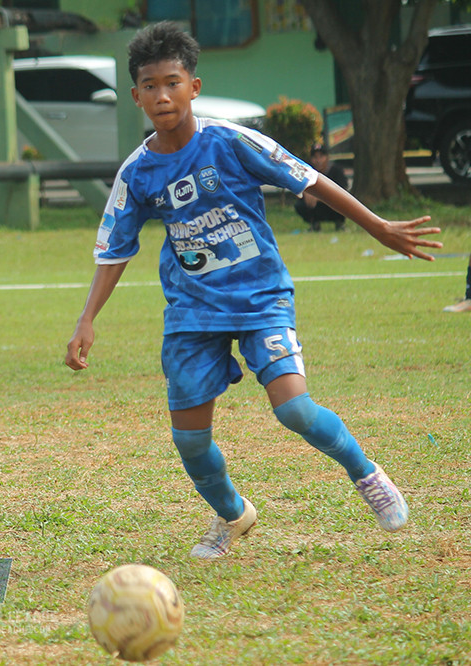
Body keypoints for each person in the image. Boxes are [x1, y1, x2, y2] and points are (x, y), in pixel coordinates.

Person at [64, 22, 442, 559]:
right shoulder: (137, 172)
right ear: (136, 96)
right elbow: (115, 249)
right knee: (190, 440)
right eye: (150, 85)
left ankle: (367, 474)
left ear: (194, 86)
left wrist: (378, 226)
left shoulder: (231, 141)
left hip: (261, 297)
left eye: (173, 82)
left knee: (294, 410)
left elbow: (308, 179)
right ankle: (232, 515)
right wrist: (87, 319)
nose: (162, 95)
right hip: (193, 312)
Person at [294, 143, 350, 231]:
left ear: (327, 158)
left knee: (343, 202)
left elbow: (343, 190)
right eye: (315, 157)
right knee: (300, 204)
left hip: (333, 205)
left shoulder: (336, 171)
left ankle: (339, 222)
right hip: (316, 206)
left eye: (321, 156)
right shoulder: (307, 172)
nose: (318, 160)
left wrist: (320, 196)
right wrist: (305, 193)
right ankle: (314, 223)